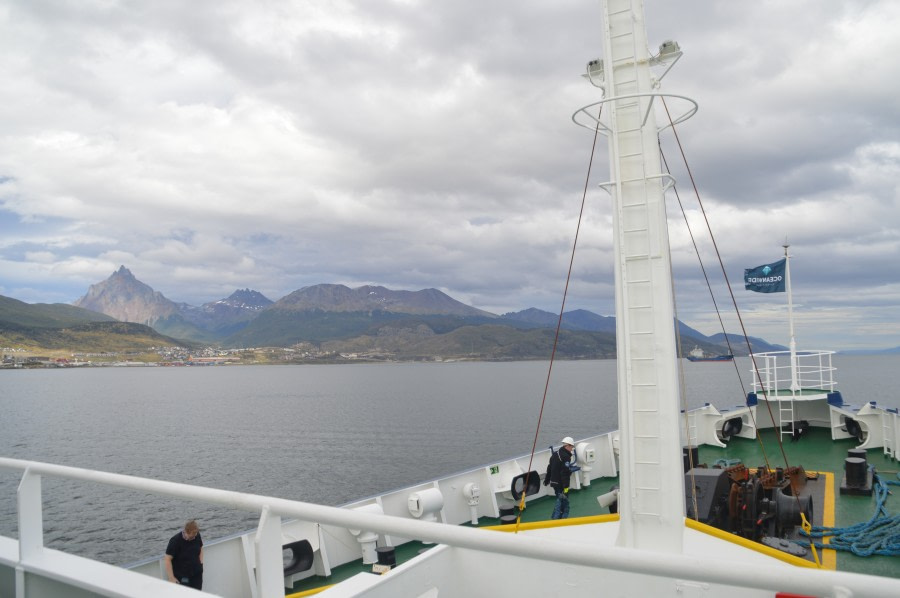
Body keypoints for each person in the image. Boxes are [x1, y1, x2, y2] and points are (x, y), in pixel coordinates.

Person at [165, 520, 204, 589]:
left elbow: (200, 548)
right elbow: (167, 559)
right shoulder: (175, 541)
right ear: (186, 532)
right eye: (192, 536)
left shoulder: (197, 535)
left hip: (196, 574)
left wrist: (201, 563)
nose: (194, 537)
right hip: (183, 577)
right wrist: (171, 578)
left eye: (196, 534)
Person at [545, 436, 576, 519]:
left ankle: (555, 519)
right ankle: (558, 521)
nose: (572, 449)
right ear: (568, 446)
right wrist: (566, 488)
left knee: (559, 501)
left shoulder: (556, 454)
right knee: (564, 505)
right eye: (572, 447)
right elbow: (564, 474)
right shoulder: (566, 457)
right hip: (561, 485)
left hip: (554, 483)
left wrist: (547, 480)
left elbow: (549, 468)